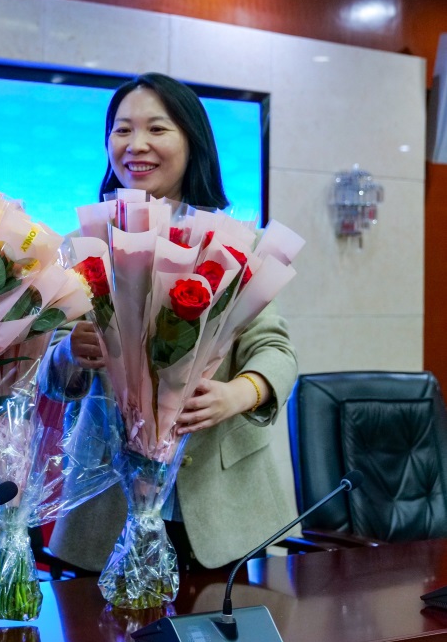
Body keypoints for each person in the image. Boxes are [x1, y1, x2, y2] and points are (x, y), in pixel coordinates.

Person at [47, 73, 299, 572]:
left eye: (157, 129)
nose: (136, 144)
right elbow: (50, 375)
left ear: (192, 140)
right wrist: (70, 351)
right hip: (106, 504)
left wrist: (239, 393)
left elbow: (275, 349)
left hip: (221, 507)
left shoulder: (235, 243)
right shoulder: (84, 242)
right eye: (122, 130)